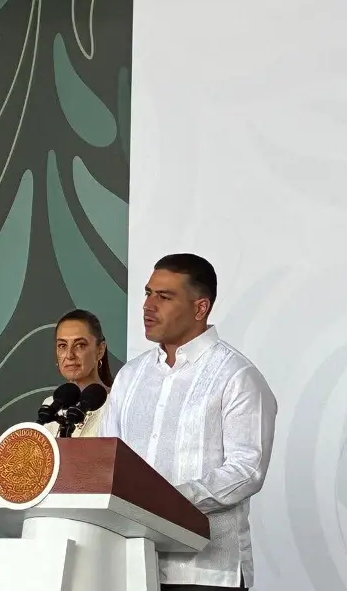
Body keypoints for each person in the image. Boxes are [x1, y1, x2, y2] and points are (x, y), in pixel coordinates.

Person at [100, 253, 277, 591]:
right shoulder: (130, 377)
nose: (148, 306)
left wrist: (168, 501)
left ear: (200, 308)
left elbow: (247, 470)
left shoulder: (236, 376)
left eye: (164, 297)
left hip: (206, 573)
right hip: (132, 568)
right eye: (148, 293)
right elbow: (108, 460)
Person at [41, 309, 114, 438]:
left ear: (100, 350)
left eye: (80, 345)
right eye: (62, 345)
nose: (69, 355)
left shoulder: (116, 404)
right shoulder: (51, 405)